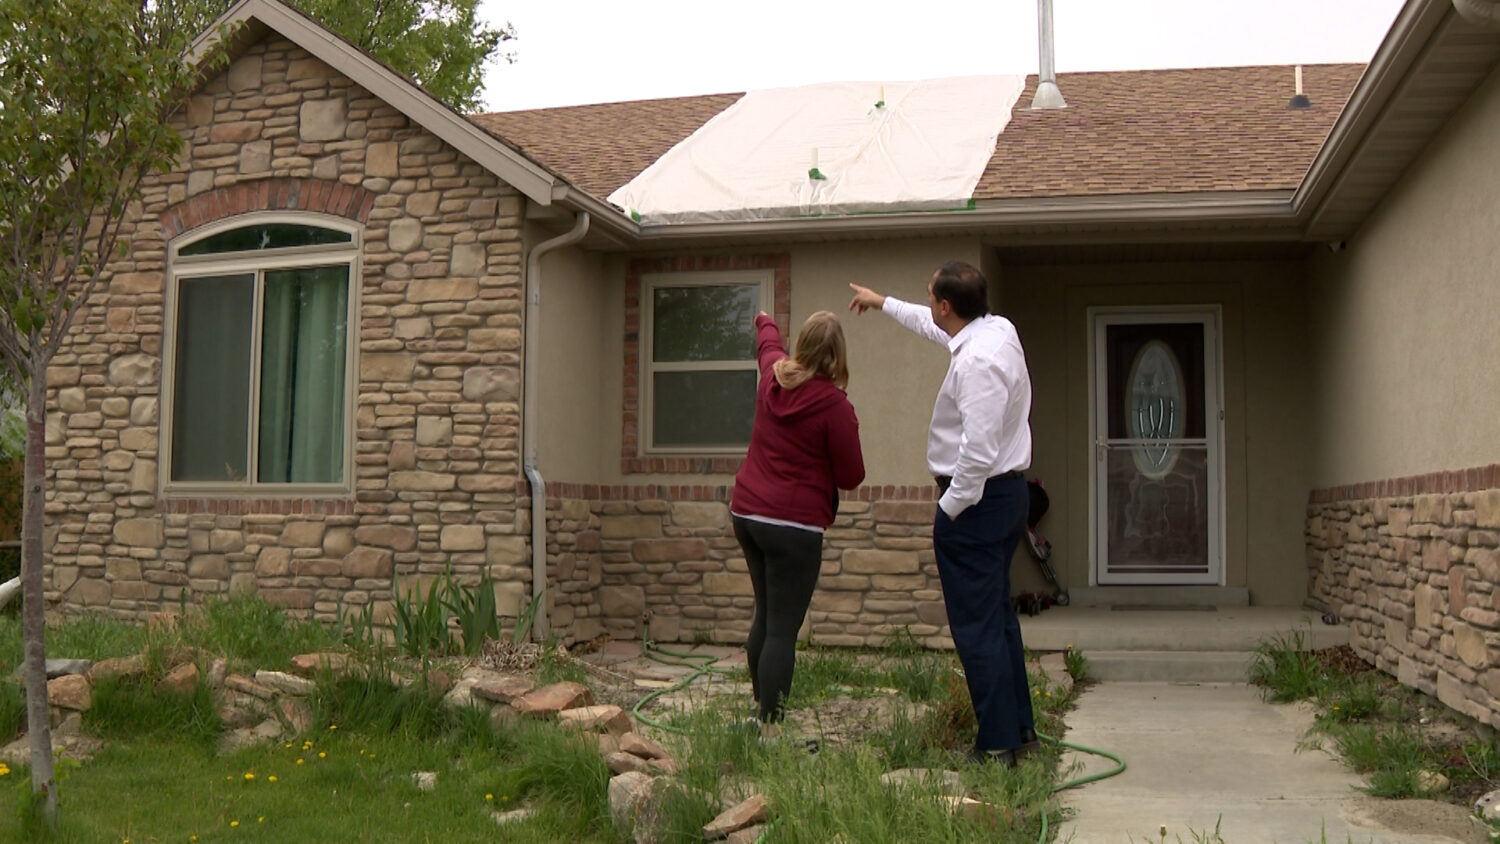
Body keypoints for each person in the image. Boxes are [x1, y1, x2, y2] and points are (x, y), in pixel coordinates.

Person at [848, 262, 1037, 766]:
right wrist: (881, 300)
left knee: (976, 627)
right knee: (997, 619)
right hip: (1004, 496)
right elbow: (930, 326)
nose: (928, 304)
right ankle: (1019, 729)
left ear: (947, 305)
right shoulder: (997, 330)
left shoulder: (977, 364)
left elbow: (977, 452)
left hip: (976, 501)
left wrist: (949, 509)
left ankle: (997, 745)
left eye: (930, 296)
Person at [731, 310, 865, 734]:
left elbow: (767, 341)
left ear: (802, 346)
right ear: (837, 356)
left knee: (766, 618)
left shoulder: (772, 376)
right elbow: (851, 476)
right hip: (794, 527)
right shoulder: (834, 405)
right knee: (783, 630)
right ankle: (770, 728)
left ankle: (759, 710)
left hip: (748, 513)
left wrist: (763, 319)